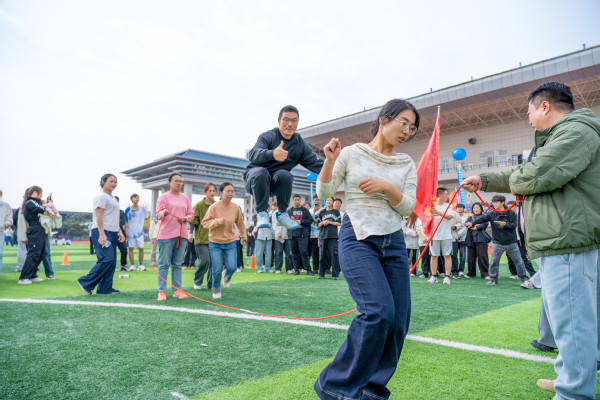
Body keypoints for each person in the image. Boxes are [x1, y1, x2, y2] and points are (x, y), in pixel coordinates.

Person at [462, 82, 600, 398]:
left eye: (529, 112)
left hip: (567, 238)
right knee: (569, 318)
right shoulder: (566, 134)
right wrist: (484, 180)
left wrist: (515, 180)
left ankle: (574, 391)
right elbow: (530, 171)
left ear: (545, 106)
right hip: (563, 238)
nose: (529, 119)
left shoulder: (576, 131)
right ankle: (572, 380)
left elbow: (537, 174)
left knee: (572, 320)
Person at [314, 98, 419, 400]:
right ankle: (333, 387)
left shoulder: (406, 162)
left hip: (393, 241)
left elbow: (408, 206)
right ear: (384, 119)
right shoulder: (351, 152)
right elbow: (325, 192)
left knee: (398, 323)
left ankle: (371, 392)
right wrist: (329, 161)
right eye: (403, 122)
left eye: (412, 128)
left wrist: (387, 187)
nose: (407, 131)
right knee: (378, 312)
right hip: (358, 237)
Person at [244, 105, 323, 230]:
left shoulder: (299, 144)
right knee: (262, 172)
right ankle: (262, 213)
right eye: (286, 120)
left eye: (294, 121)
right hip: (255, 182)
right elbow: (252, 154)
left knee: (285, 174)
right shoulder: (268, 136)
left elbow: (316, 164)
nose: (290, 124)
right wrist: (272, 154)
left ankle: (282, 214)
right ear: (278, 121)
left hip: (275, 184)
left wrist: (336, 165)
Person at [465, 195, 532, 287]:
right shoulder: (492, 213)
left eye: (496, 202)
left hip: (511, 242)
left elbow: (513, 225)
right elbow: (482, 218)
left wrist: (505, 224)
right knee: (494, 262)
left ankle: (524, 279)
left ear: (502, 202)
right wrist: (472, 222)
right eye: (493, 202)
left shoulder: (510, 213)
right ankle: (493, 279)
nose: (494, 204)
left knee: (518, 262)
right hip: (497, 243)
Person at [77, 175, 126, 294]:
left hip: (113, 232)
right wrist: (102, 234)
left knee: (112, 261)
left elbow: (114, 217)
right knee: (106, 259)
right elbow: (98, 215)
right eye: (111, 181)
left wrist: (119, 231)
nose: (113, 184)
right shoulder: (101, 197)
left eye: (115, 182)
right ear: (103, 182)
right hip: (102, 231)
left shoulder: (113, 198)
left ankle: (105, 288)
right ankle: (85, 282)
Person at [202, 182, 247, 299]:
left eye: (232, 191)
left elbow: (240, 224)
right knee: (217, 268)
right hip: (215, 242)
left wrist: (243, 236)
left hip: (230, 242)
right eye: (228, 191)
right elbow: (205, 223)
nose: (230, 193)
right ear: (221, 193)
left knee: (232, 267)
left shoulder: (235, 208)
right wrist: (216, 221)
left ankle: (226, 276)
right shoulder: (214, 207)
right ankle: (216, 289)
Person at [154, 173, 194, 302]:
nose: (179, 183)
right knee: (164, 263)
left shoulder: (185, 198)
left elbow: (191, 215)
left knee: (177, 264)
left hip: (182, 235)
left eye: (180, 181)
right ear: (169, 182)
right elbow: (157, 214)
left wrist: (185, 218)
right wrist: (163, 213)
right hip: (166, 235)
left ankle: (177, 290)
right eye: (176, 181)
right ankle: (161, 291)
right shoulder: (163, 197)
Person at [17, 186, 49, 284]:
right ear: (35, 192)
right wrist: (49, 206)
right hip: (35, 229)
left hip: (39, 230)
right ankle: (24, 277)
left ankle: (32, 275)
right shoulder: (30, 203)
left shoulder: (34, 202)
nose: (41, 196)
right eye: (40, 194)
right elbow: (45, 212)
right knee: (33, 254)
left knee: (40, 253)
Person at [190, 183, 216, 291]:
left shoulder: (218, 205)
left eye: (214, 191)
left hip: (215, 239)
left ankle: (211, 284)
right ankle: (197, 281)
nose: (212, 193)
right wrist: (190, 233)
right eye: (209, 190)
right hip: (201, 239)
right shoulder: (198, 205)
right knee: (205, 261)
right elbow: (193, 221)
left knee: (214, 263)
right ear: (205, 192)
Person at [427, 188, 454, 285]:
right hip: (434, 235)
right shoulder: (431, 206)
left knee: (447, 255)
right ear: (440, 195)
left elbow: (449, 217)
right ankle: (434, 275)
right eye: (446, 194)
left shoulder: (448, 206)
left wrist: (437, 212)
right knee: (434, 256)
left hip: (446, 235)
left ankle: (447, 277)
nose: (447, 196)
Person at [505, 200, 536, 277]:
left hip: (519, 240)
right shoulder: (506, 217)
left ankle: (532, 273)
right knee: (510, 257)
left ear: (515, 207)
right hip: (510, 240)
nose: (510, 208)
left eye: (511, 207)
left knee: (524, 257)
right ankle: (514, 273)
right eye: (508, 207)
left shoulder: (520, 216)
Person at [287, 194, 314, 275]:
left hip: (302, 235)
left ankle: (308, 269)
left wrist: (301, 221)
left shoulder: (305, 210)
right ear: (293, 201)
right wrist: (290, 220)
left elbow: (310, 220)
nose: (296, 201)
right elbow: (285, 222)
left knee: (304, 252)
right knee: (294, 253)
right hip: (292, 235)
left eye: (298, 200)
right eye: (295, 200)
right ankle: (296, 269)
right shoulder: (289, 211)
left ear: (300, 200)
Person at [316, 197, 341, 279]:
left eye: (331, 200)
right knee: (322, 255)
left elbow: (339, 223)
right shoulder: (322, 212)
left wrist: (330, 222)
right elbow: (318, 224)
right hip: (323, 236)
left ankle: (335, 275)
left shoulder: (336, 212)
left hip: (333, 236)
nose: (329, 201)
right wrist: (323, 222)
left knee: (334, 255)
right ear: (325, 202)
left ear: (333, 202)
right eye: (328, 200)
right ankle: (321, 274)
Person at [464, 202, 490, 279]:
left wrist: (476, 226)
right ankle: (471, 273)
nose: (476, 209)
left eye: (477, 208)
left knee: (483, 257)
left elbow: (484, 224)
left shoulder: (484, 217)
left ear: (481, 209)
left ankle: (485, 274)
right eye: (474, 208)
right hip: (471, 239)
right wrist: (475, 226)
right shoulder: (470, 218)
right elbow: (466, 224)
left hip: (481, 239)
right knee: (471, 257)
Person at [125, 193, 149, 271]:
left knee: (141, 248)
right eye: (135, 197)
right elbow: (126, 221)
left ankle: (140, 265)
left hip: (140, 233)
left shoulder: (142, 209)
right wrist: (125, 232)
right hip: (130, 233)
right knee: (130, 248)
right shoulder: (128, 210)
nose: (137, 198)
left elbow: (147, 217)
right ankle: (132, 265)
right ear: (131, 199)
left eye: (138, 197)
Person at [271, 201, 294, 274]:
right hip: (279, 236)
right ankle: (278, 268)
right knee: (279, 252)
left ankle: (288, 268)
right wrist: (278, 234)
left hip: (288, 235)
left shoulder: (288, 212)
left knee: (288, 253)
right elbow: (274, 225)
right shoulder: (275, 213)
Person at [114, 196, 129, 272]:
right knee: (111, 252)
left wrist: (114, 222)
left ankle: (123, 266)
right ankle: (110, 267)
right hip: (111, 233)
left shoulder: (121, 212)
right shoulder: (107, 212)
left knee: (124, 250)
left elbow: (123, 222)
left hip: (121, 234)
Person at [0, 189, 13, 275]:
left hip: (0, 231)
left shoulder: (6, 206)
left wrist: (2, 225)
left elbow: (9, 220)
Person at [454, 204, 468, 277]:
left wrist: (458, 236)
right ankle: (454, 270)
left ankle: (461, 270)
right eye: (458, 208)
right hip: (455, 239)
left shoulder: (466, 218)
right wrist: (456, 236)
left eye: (461, 207)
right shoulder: (453, 217)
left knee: (463, 255)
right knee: (454, 255)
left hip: (463, 239)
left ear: (463, 209)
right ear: (456, 209)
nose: (459, 209)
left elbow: (466, 228)